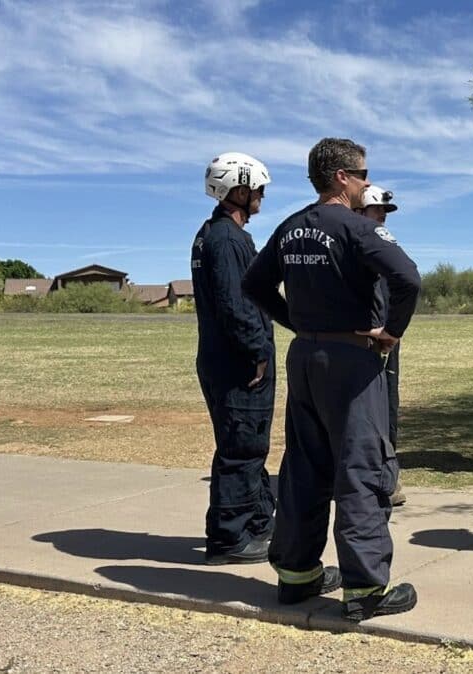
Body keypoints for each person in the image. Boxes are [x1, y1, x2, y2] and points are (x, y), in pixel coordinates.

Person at [242, 137, 422, 620]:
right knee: (361, 465)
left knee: (304, 467)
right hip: (352, 360)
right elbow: (409, 279)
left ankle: (297, 576)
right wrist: (391, 333)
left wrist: (298, 323)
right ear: (342, 177)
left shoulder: (291, 226)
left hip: (305, 358)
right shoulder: (355, 227)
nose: (367, 182)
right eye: (362, 174)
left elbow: (254, 284)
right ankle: (365, 589)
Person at [192, 152, 277, 566]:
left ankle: (259, 522)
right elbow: (234, 304)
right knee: (241, 447)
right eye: (257, 189)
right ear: (238, 190)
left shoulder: (219, 234)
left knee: (249, 444)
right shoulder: (225, 238)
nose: (262, 196)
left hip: (225, 360)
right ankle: (230, 537)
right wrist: (257, 351)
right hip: (237, 365)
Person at [358, 184, 407, 507]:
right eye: (378, 211)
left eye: (385, 213)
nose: (382, 218)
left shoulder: (385, 247)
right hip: (359, 339)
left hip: (387, 339)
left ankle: (387, 475)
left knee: (387, 404)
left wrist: (393, 330)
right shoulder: (351, 247)